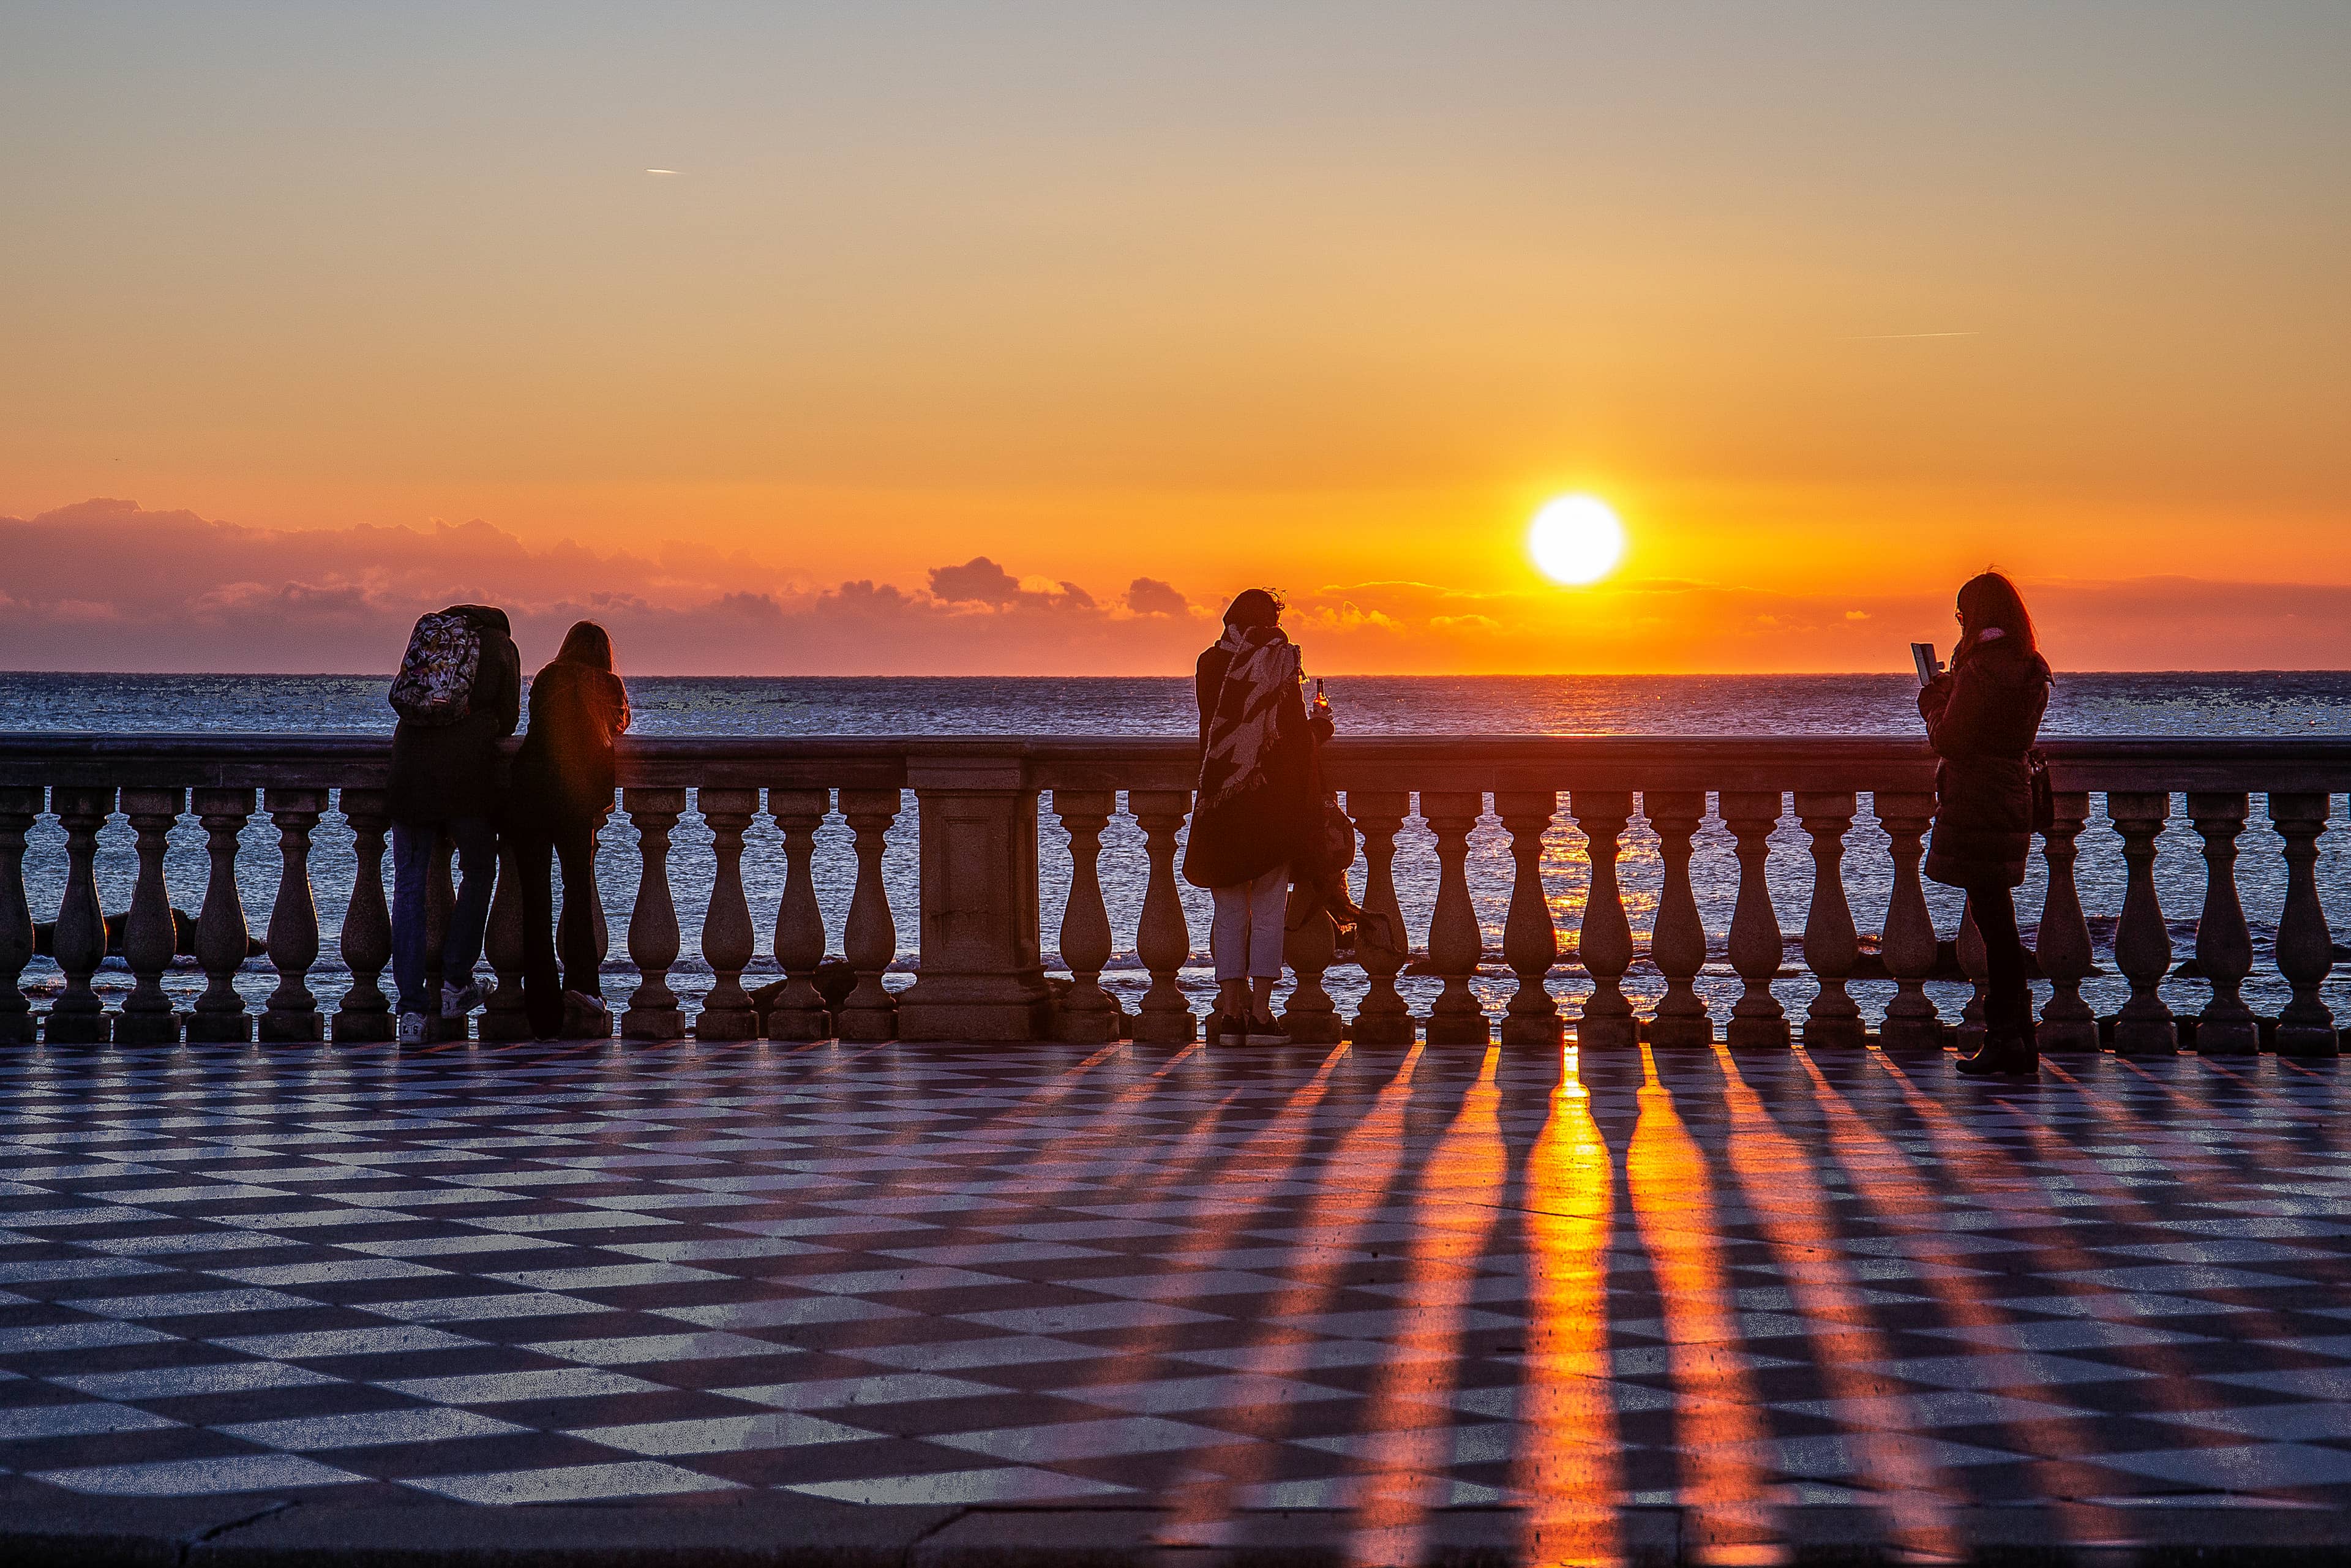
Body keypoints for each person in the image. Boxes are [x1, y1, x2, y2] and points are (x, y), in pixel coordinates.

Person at [1182, 588, 1332, 1046]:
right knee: (1267, 912)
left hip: (1220, 805)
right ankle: (1262, 1016)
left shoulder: (1209, 664)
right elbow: (1287, 737)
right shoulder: (1275, 661)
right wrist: (1319, 728)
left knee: (1228, 914)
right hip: (1266, 807)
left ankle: (1230, 1017)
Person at [1920, 571, 2052, 1078]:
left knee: (1995, 924)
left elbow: (1951, 738)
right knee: (1999, 922)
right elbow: (2001, 728)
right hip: (2012, 797)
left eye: (1962, 615)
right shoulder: (2030, 666)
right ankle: (2020, 1039)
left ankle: (2008, 1041)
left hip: (1977, 802)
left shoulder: (1979, 669)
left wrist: (1934, 701)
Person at [388, 604, 521, 1045]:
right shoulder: (501, 647)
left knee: (409, 886)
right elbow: (510, 718)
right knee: (479, 867)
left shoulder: (430, 634)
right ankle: (455, 984)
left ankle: (409, 1014)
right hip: (464, 774)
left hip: (410, 769)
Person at [506, 621, 631, 1040]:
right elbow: (619, 726)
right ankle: (583, 985)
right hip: (575, 801)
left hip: (529, 795)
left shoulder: (547, 678)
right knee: (577, 893)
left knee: (536, 905)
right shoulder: (608, 686)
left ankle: (543, 1013)